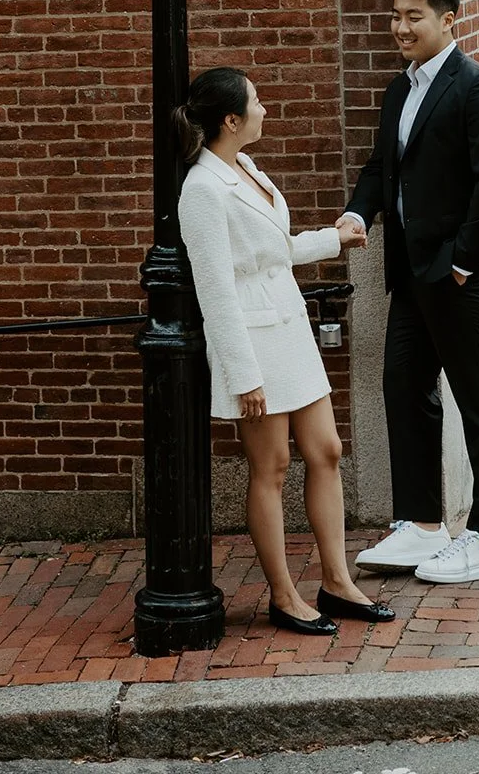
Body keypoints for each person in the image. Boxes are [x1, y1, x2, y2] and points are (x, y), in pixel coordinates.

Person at [175, 66, 395, 635]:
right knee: (270, 467)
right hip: (251, 342)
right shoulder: (201, 189)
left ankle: (337, 581)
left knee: (326, 450)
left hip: (289, 327)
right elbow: (216, 289)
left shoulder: (244, 166)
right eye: (255, 102)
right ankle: (283, 595)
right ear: (230, 119)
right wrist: (243, 374)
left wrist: (333, 239)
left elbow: (272, 252)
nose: (264, 109)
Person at [342, 0, 479, 585]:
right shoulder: (400, 90)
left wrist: (466, 262)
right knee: (403, 384)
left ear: (449, 20)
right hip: (412, 276)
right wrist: (355, 214)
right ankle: (420, 526)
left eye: (414, 16)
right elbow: (381, 167)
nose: (400, 27)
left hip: (461, 276)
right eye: (396, 15)